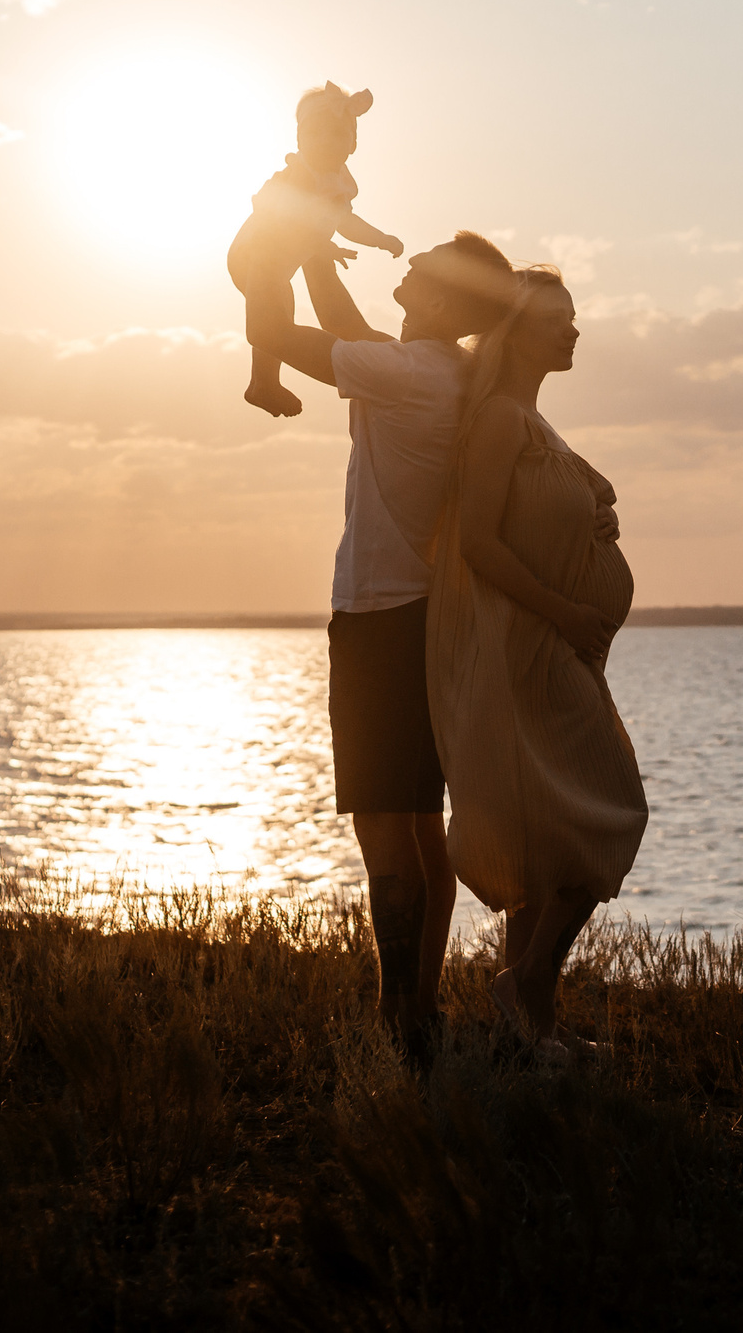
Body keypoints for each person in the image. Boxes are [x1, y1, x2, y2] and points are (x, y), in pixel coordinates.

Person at [255, 231, 517, 1059]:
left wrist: (264, 263)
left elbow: (285, 337)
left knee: (381, 828)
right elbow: (348, 326)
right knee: (419, 821)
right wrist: (312, 255)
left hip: (376, 620)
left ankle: (398, 1019)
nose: (404, 272)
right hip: (422, 619)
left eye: (419, 269)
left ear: (437, 300)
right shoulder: (447, 372)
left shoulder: (403, 374)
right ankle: (420, 1008)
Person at [425, 265, 647, 1054]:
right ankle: (522, 987)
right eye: (558, 318)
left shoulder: (533, 421)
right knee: (612, 813)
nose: (574, 329)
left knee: (547, 846)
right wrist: (566, 612)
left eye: (574, 315)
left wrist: (593, 521)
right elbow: (479, 544)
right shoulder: (497, 420)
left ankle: (531, 1028)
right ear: (515, 332)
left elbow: (544, 523)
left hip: (557, 651)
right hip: (528, 651)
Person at [229, 82, 405, 418]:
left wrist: (380, 238)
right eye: (315, 133)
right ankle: (263, 383)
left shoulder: (338, 182)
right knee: (275, 319)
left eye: (337, 134)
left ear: (352, 144)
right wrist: (320, 245)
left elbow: (346, 222)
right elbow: (284, 217)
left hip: (284, 261)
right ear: (299, 140)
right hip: (255, 254)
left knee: (280, 312)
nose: (325, 141)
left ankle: (262, 383)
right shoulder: (299, 175)